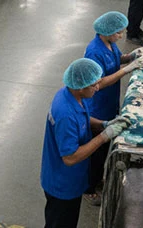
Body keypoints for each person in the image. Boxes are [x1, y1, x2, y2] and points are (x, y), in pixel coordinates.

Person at [41, 58, 130, 228]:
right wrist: (104, 136)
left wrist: (104, 124)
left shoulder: (70, 95)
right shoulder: (65, 114)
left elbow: (82, 118)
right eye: (94, 85)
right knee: (60, 223)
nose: (97, 88)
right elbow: (70, 157)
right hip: (62, 184)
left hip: (71, 179)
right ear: (81, 87)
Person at [82, 12, 143, 204]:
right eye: (118, 32)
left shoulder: (110, 44)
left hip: (109, 103)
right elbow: (98, 83)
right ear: (107, 31)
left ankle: (96, 180)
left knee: (104, 150)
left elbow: (117, 59)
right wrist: (126, 70)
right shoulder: (94, 51)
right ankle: (88, 189)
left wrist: (131, 57)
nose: (121, 35)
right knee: (95, 152)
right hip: (98, 107)